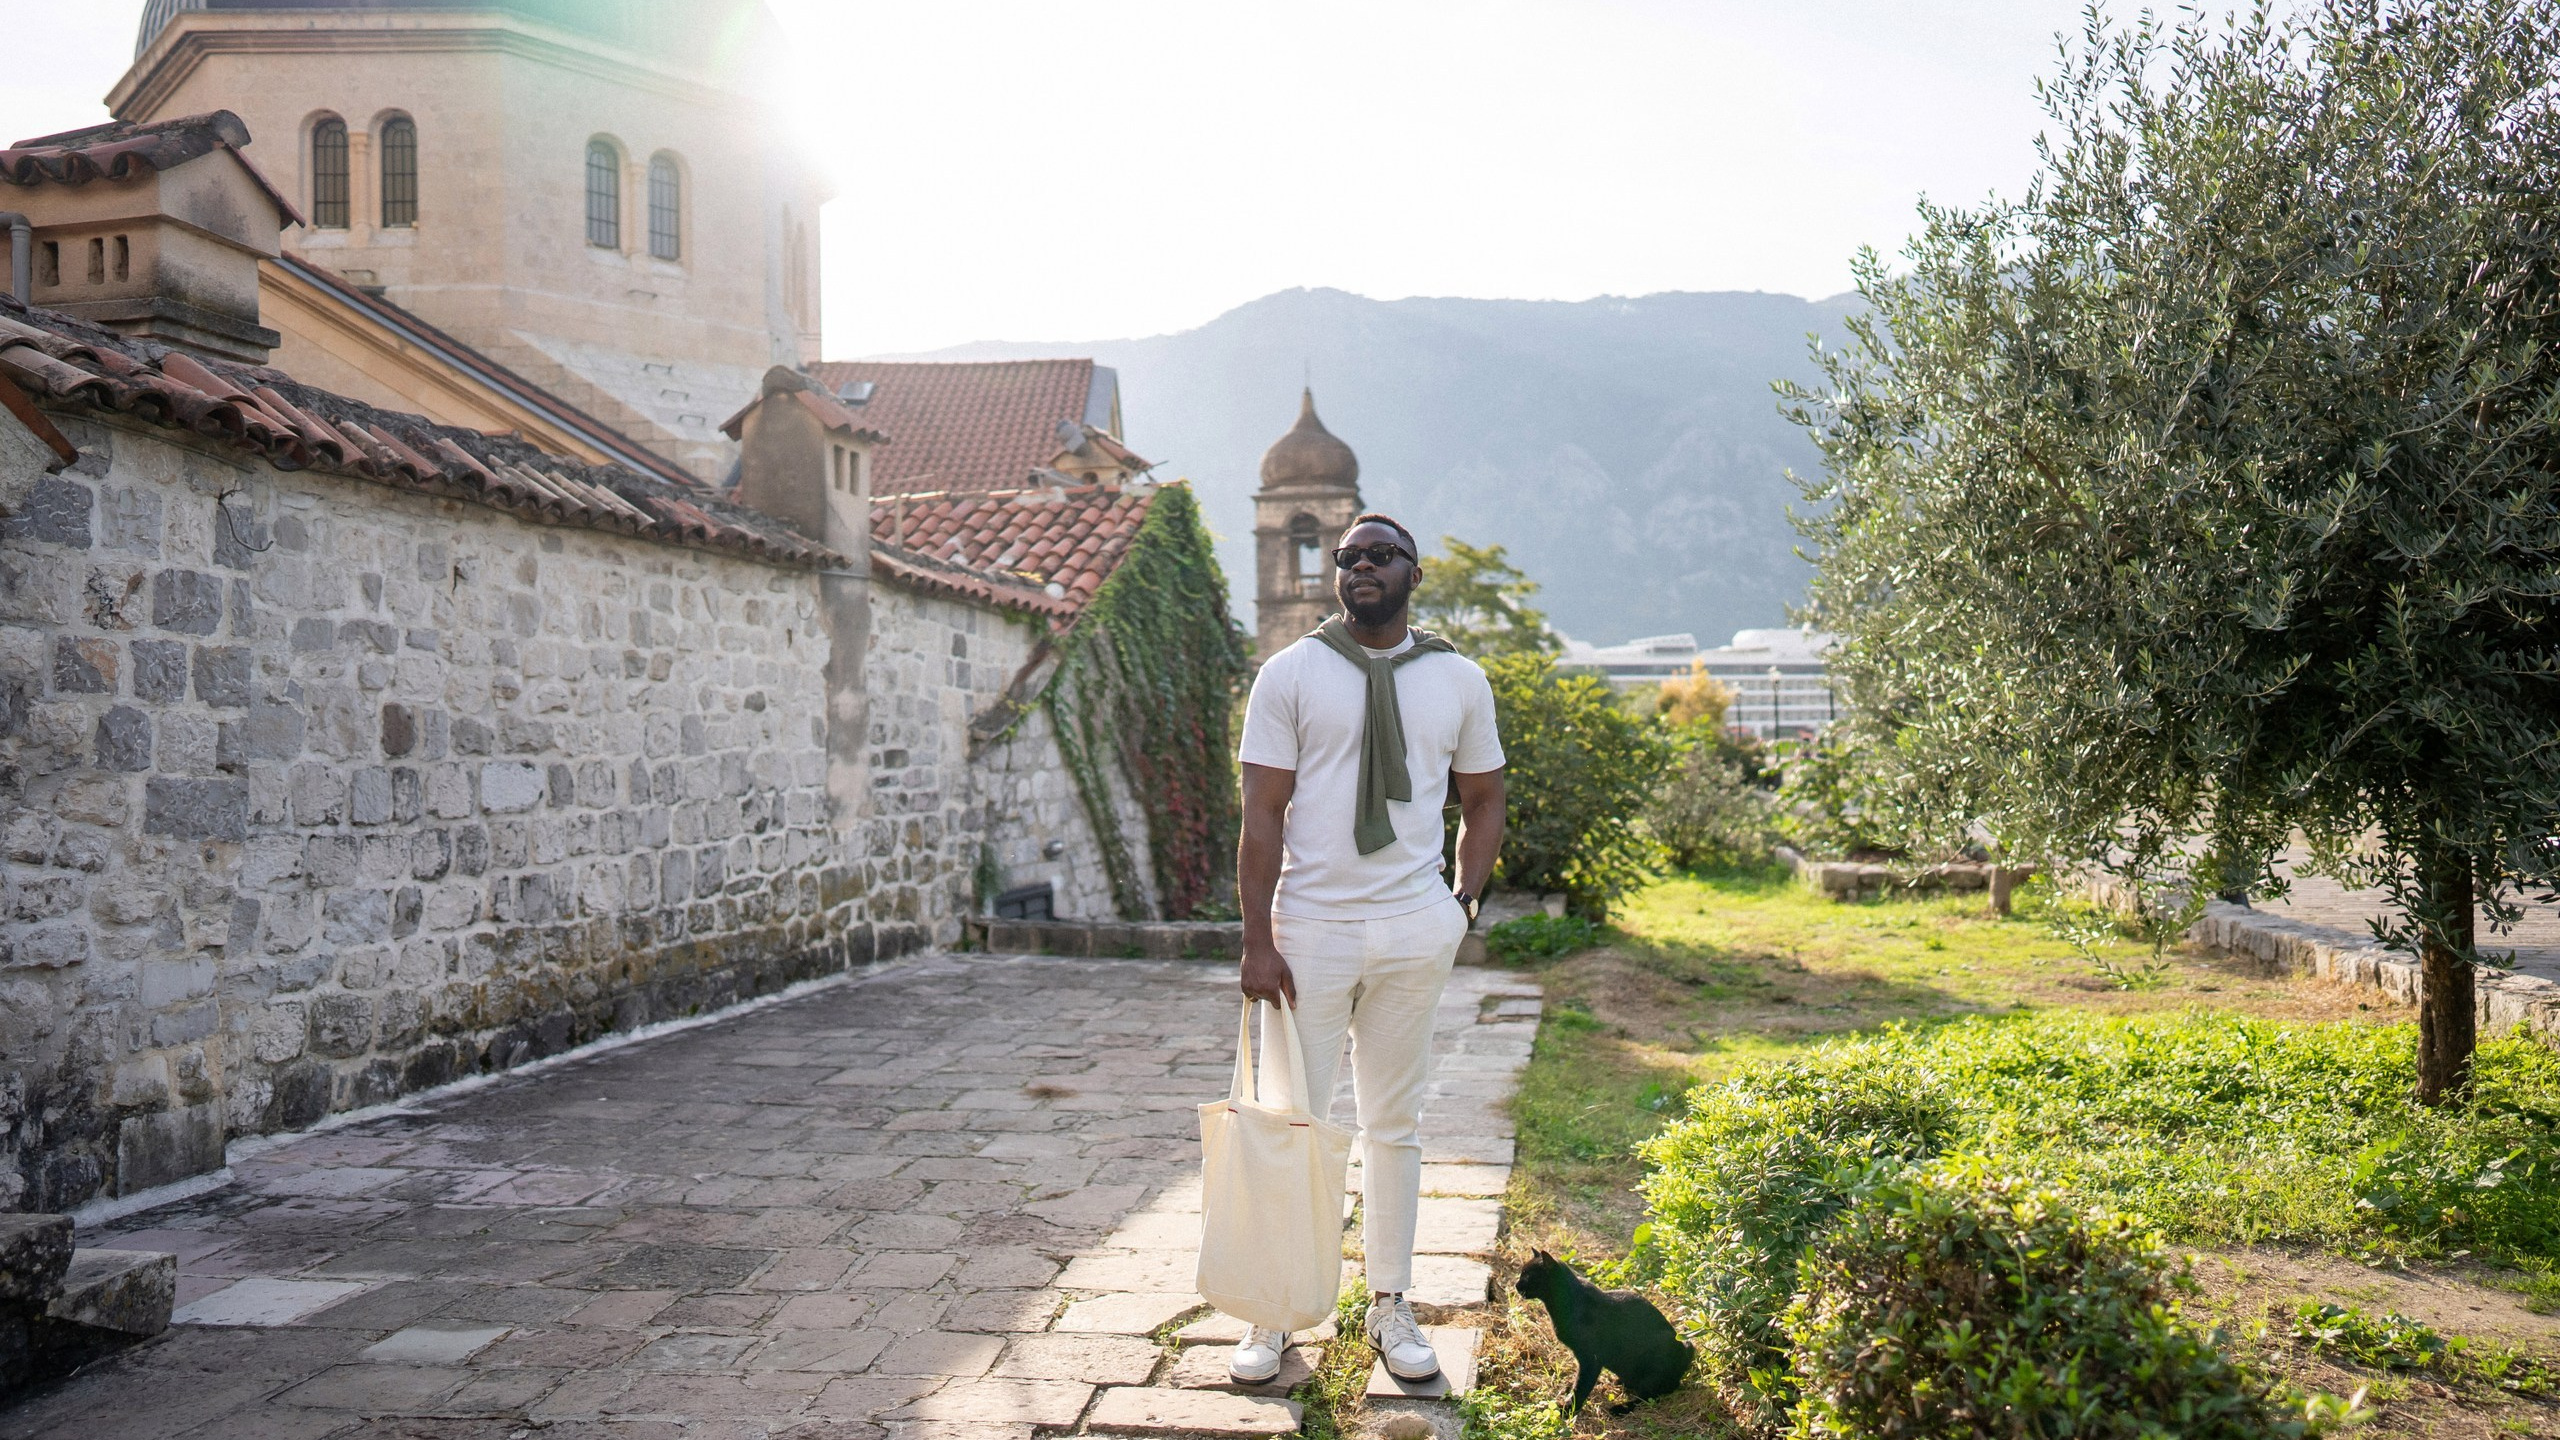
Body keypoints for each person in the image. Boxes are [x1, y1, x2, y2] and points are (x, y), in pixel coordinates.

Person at [1227, 512, 1507, 1384]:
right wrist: (1257, 939)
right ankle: (1276, 1312)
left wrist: (1461, 902)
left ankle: (1391, 1304)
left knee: (1395, 1125)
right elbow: (1261, 817)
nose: (1360, 569)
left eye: (1380, 556)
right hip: (1308, 933)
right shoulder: (1290, 673)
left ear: (1415, 574)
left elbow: (1485, 797)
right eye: (1347, 558)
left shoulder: (1458, 678)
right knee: (1292, 1123)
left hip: (1412, 931)